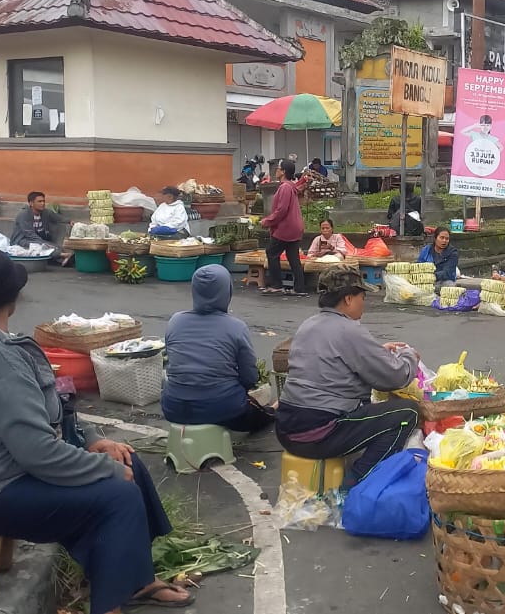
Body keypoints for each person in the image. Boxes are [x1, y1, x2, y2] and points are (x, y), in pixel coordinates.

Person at [0, 246, 193, 614]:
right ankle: (110, 604)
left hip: (0, 472)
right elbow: (40, 454)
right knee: (117, 494)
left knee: (129, 461)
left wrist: (94, 441)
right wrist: (104, 469)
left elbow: (52, 413)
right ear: (9, 297)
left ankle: (137, 579)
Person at [275, 266, 420, 487]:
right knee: (407, 412)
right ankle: (353, 484)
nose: (364, 302)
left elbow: (337, 360)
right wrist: (410, 356)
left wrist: (378, 351)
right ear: (348, 298)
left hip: (287, 429)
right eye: (362, 296)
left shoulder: (309, 325)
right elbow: (396, 376)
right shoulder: (349, 330)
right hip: (318, 434)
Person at [162, 265, 274, 433]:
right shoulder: (236, 327)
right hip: (223, 410)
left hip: (173, 408)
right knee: (265, 415)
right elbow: (249, 376)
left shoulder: (175, 321)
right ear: (226, 291)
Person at [260, 160, 305, 296]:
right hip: (294, 227)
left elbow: (281, 210)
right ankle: (299, 288)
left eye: (278, 168)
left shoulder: (285, 187)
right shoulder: (290, 186)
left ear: (284, 171)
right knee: (293, 257)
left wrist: (268, 221)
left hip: (286, 228)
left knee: (272, 253)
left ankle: (276, 284)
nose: (276, 170)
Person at [11, 191, 70, 264]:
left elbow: (57, 217)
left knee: (55, 246)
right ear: (31, 203)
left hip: (37, 239)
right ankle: (63, 256)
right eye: (39, 201)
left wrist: (69, 221)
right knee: (41, 246)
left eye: (43, 201)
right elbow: (29, 233)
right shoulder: (24, 214)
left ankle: (63, 259)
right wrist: (43, 243)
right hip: (22, 240)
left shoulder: (45, 212)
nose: (43, 204)